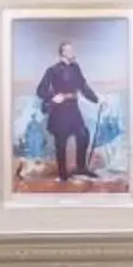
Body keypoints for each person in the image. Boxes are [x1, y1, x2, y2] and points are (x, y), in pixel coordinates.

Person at [35, 40, 100, 183]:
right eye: (69, 50)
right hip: (59, 112)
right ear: (63, 53)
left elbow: (83, 87)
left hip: (73, 110)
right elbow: (40, 91)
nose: (73, 52)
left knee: (83, 135)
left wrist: (97, 100)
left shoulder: (76, 68)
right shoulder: (52, 70)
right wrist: (53, 97)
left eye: (72, 50)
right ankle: (63, 174)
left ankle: (81, 167)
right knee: (61, 142)